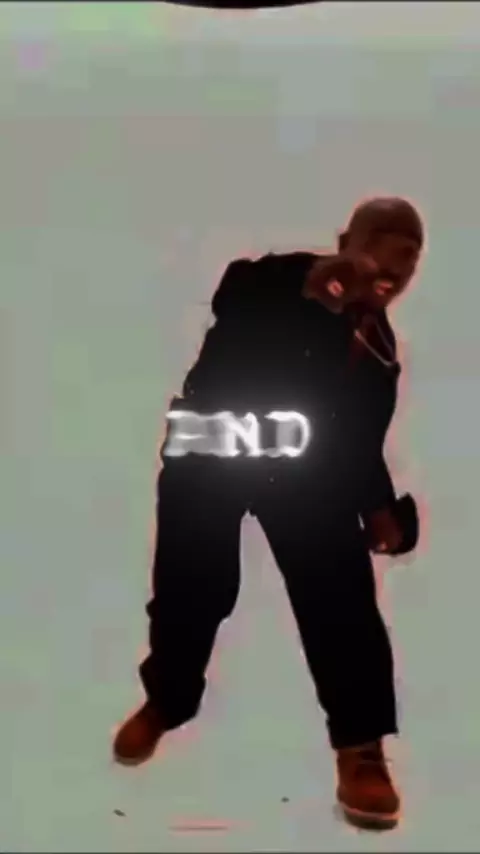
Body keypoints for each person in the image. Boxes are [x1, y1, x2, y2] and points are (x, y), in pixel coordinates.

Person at [113, 196, 424, 830]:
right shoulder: (279, 279)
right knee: (192, 589)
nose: (391, 266)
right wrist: (313, 284)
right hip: (211, 458)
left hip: (303, 475)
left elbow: (358, 439)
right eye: (379, 246)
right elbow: (233, 291)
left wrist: (380, 508)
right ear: (346, 240)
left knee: (341, 599)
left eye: (408, 257)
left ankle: (361, 751)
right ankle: (165, 700)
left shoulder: (378, 346)